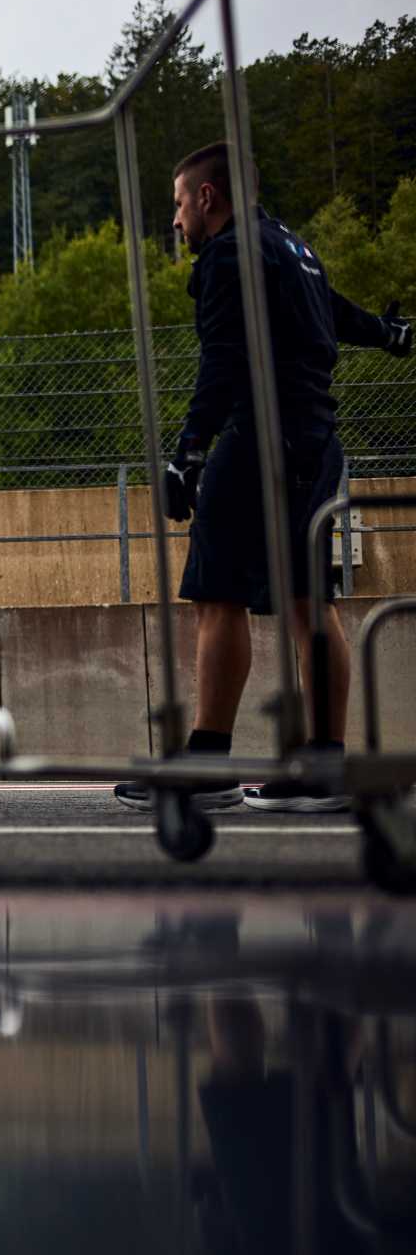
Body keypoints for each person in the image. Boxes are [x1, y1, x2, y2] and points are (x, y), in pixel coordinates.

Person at [115, 142, 410, 818]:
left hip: (256, 439)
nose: (178, 221)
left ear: (208, 198)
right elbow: (335, 311)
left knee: (217, 596)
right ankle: (326, 765)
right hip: (317, 442)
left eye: (179, 204)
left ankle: (206, 766)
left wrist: (188, 451)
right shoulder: (293, 249)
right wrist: (388, 336)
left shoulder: (228, 253)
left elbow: (224, 359)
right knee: (312, 602)